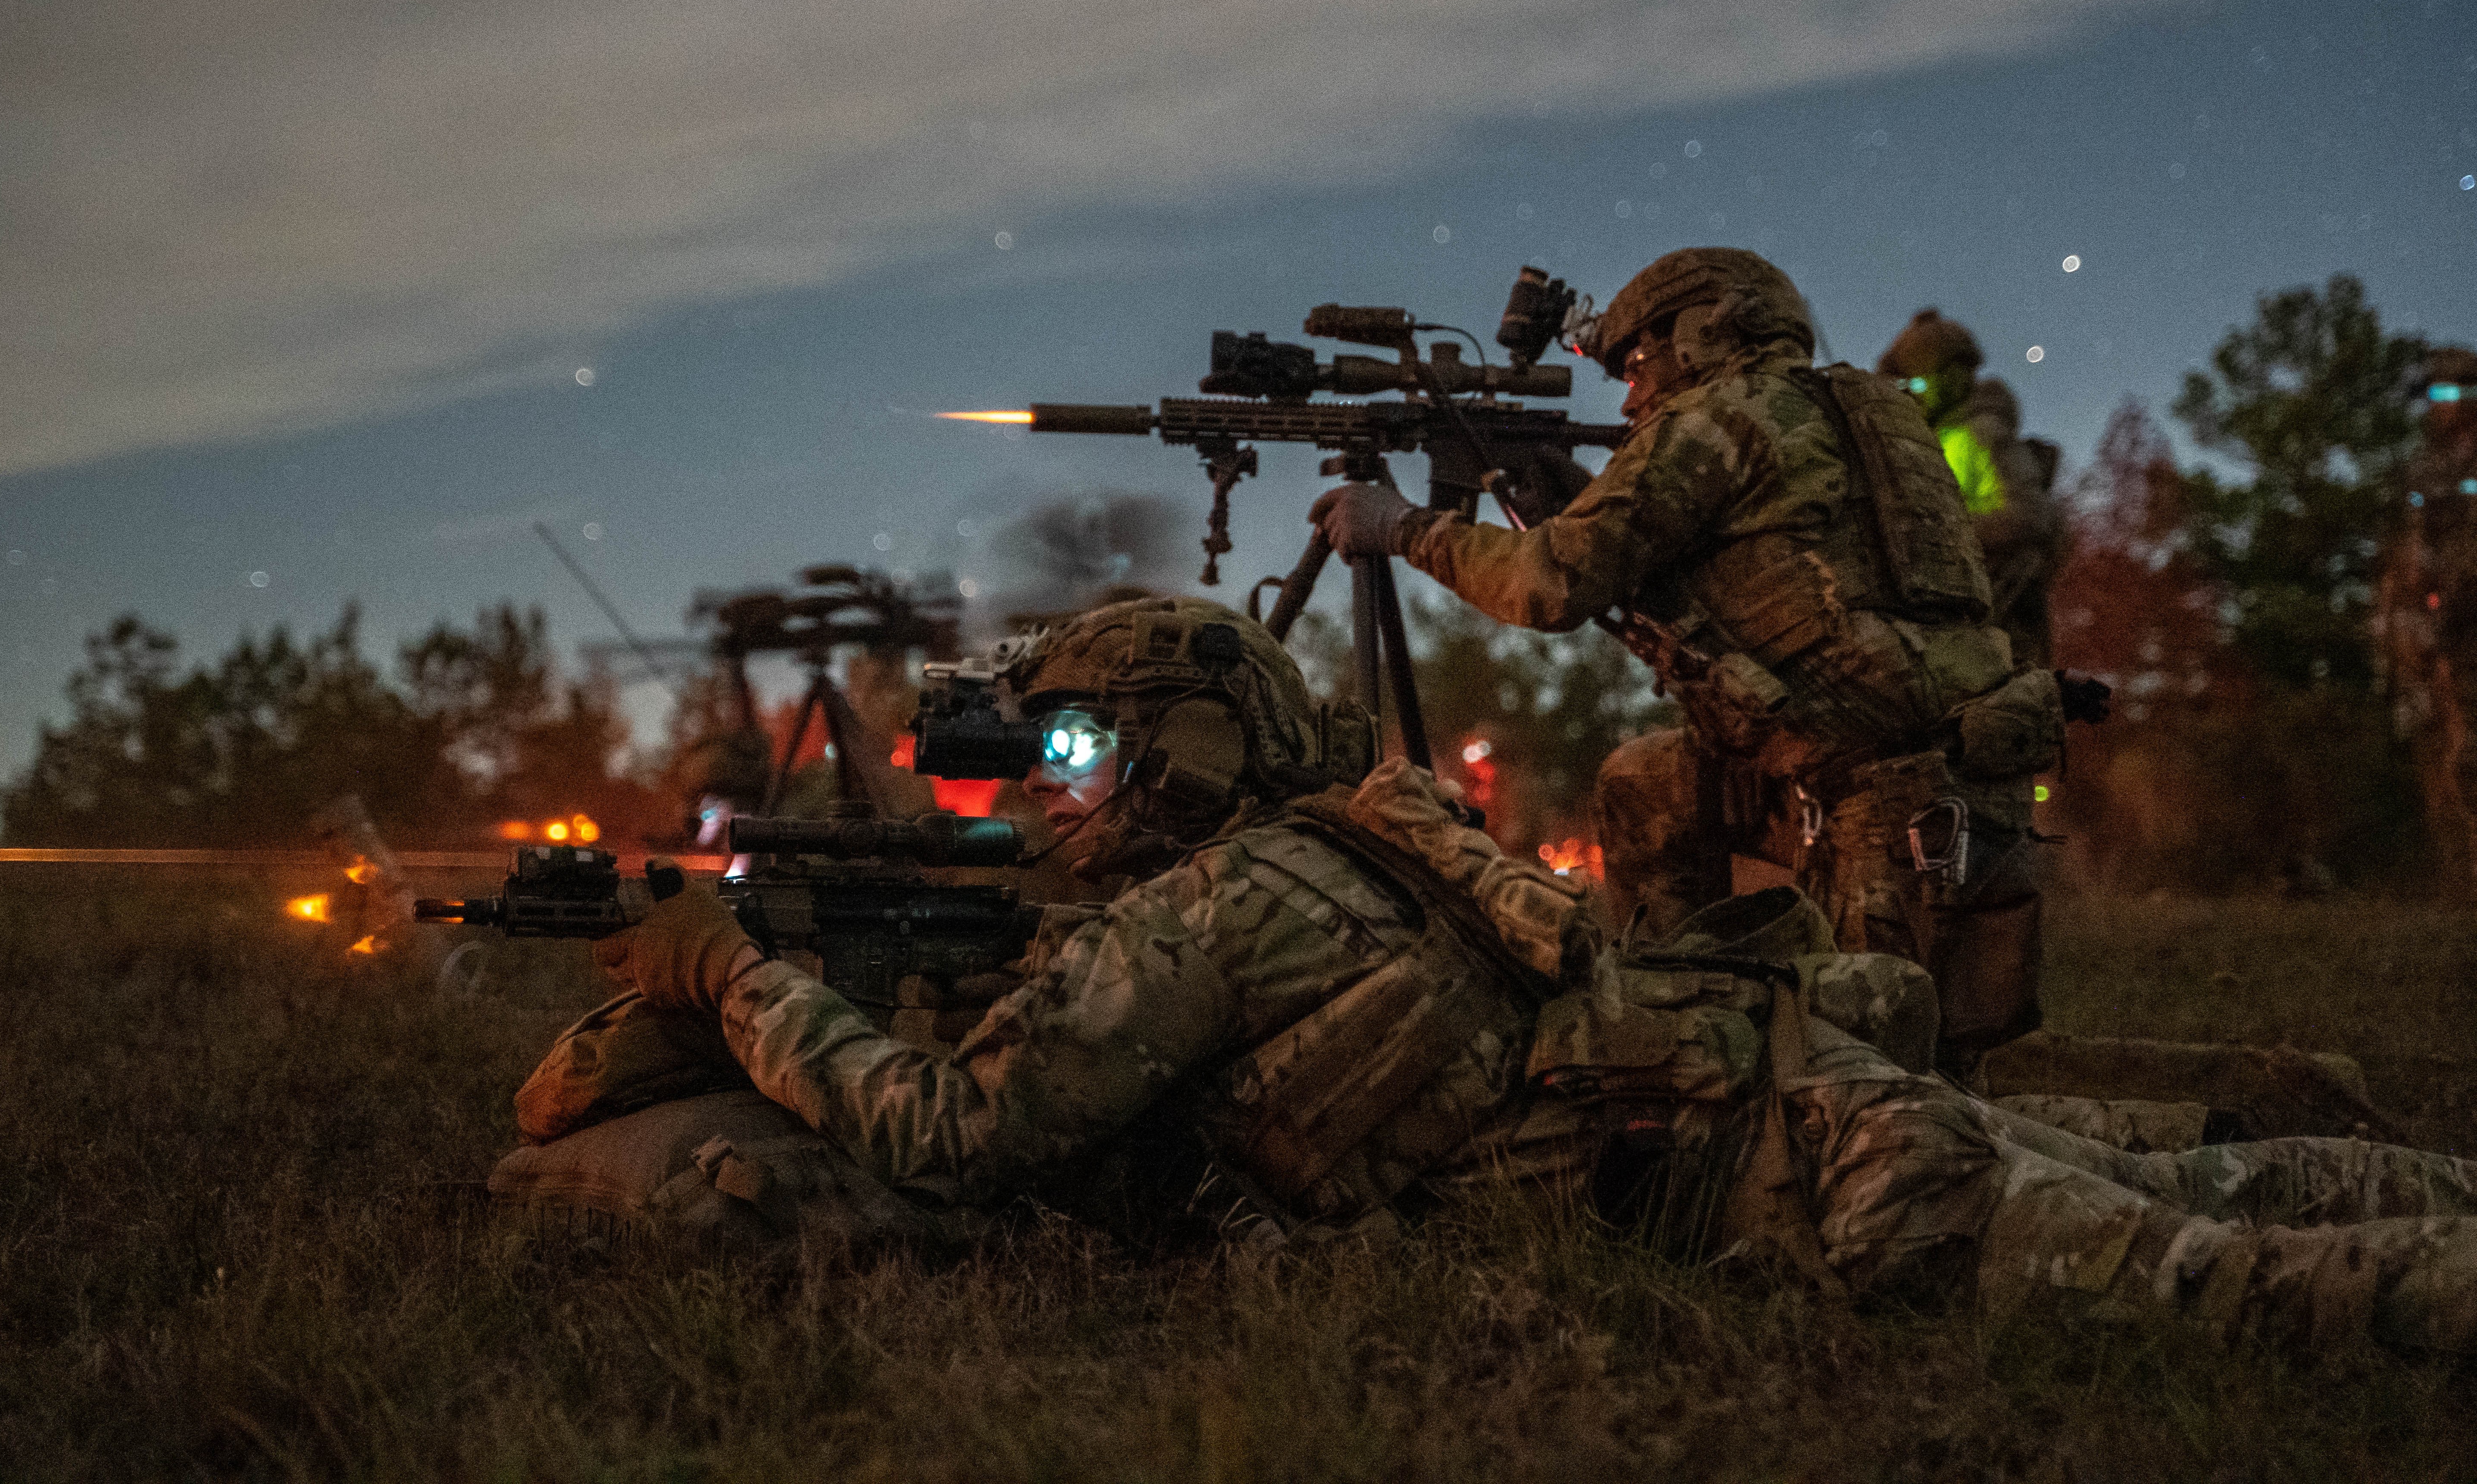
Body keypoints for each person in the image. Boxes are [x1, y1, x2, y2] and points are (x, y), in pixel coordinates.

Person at [508, 594, 2477, 1356]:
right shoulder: (1349, 828)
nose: (1053, 794)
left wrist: (730, 974)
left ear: (1181, 748)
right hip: (1792, 1093)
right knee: (2250, 1182)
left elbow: (952, 1134)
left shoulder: (1206, 914)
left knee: (2263, 1289)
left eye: (1084, 753)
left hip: (1802, 1182)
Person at [1310, 248, 2052, 1074]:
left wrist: (1401, 528)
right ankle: (1685, 1034)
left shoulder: (1720, 418)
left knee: (1884, 1093)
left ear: (1701, 331)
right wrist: (1577, 499)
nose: (1631, 393)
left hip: (1886, 797)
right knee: (1647, 786)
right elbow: (1752, 556)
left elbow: (1549, 585)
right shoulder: (1868, 412)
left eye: (1637, 362)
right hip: (1922, 758)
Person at [1876, 309, 2068, 670]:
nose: (1911, 398)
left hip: (1999, 631)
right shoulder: (1953, 434)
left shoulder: (1973, 434)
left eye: (1916, 386)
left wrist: (1931, 536)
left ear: (1949, 377)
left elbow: (2027, 518)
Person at [2374, 345, 2477, 883]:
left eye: (2461, 389)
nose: (2450, 402)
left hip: (2469, 620)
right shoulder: (2417, 467)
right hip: (2426, 627)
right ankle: (2457, 881)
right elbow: (2399, 549)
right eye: (2439, 392)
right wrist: (2392, 623)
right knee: (2434, 755)